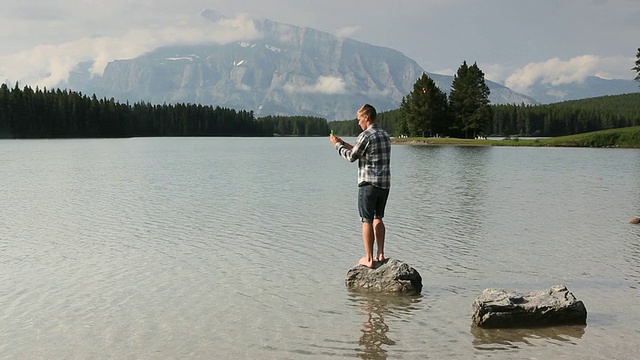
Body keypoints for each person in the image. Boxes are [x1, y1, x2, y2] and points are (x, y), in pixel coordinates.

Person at [330, 104, 391, 268]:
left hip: (368, 185)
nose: (358, 123)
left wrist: (337, 146)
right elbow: (361, 150)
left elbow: (351, 157)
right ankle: (380, 254)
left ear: (367, 117)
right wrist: (344, 142)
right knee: (379, 217)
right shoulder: (384, 134)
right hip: (384, 186)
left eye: (359, 119)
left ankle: (369, 259)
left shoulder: (366, 135)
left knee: (366, 221)